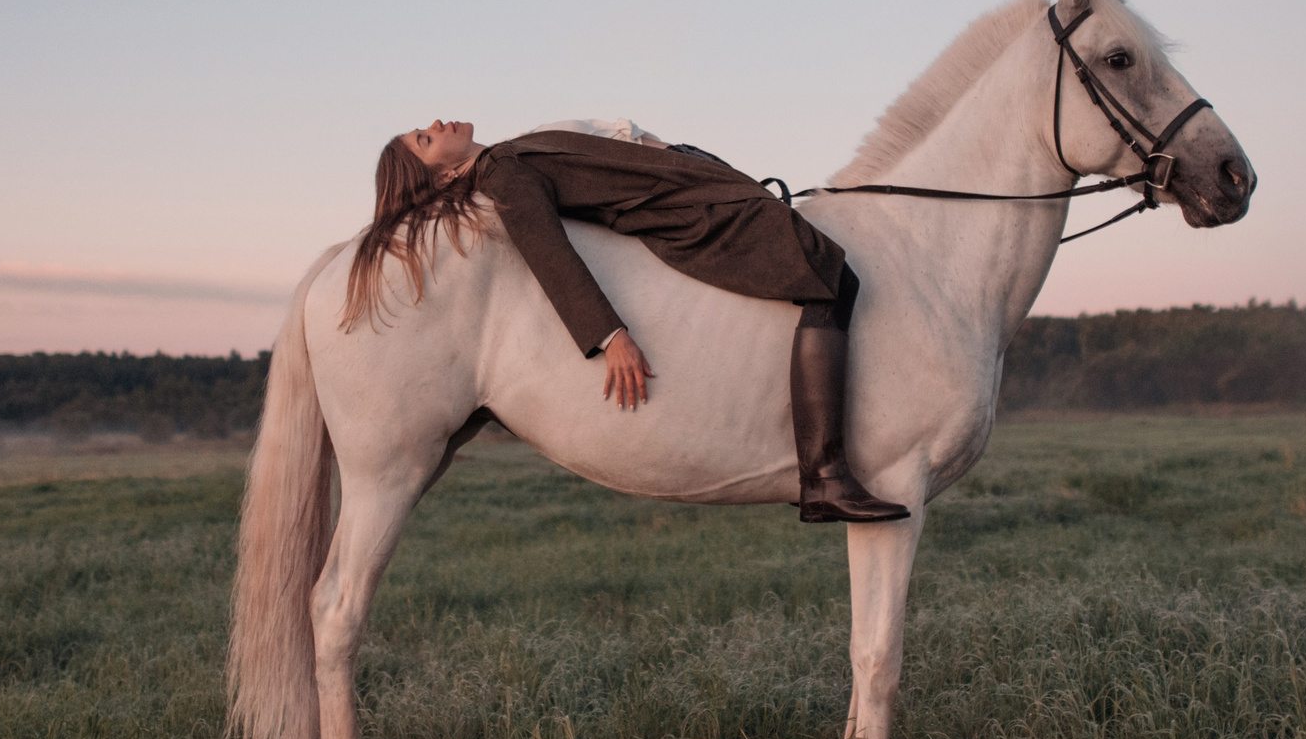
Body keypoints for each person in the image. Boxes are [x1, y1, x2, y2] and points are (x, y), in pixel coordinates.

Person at [341, 117, 910, 524]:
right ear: (441, 178)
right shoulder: (503, 174)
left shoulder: (510, 153)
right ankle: (825, 476)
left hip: (712, 202)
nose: (438, 122)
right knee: (832, 277)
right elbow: (548, 252)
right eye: (425, 137)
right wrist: (609, 336)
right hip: (698, 223)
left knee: (832, 277)